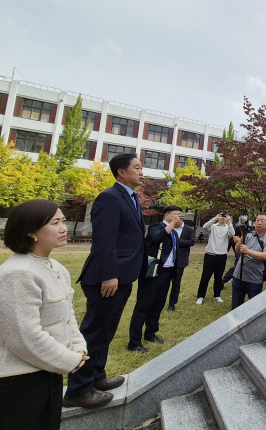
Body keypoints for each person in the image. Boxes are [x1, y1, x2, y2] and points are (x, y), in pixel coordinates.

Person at [65, 153, 146, 408]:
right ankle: (77, 389)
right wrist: (109, 274)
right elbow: (104, 240)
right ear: (121, 172)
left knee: (107, 330)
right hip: (106, 278)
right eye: (137, 167)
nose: (142, 172)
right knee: (94, 331)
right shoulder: (109, 197)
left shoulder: (131, 198)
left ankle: (97, 376)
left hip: (123, 277)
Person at [0, 200, 89, 429]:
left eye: (63, 220)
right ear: (31, 231)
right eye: (55, 222)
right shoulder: (17, 273)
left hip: (49, 370)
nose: (63, 228)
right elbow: (23, 336)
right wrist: (68, 360)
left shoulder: (56, 268)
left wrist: (78, 347)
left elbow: (67, 314)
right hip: (21, 380)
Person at [127, 206, 184, 353]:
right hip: (153, 272)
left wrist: (174, 276)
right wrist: (172, 224)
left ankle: (150, 333)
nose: (179, 217)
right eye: (176, 215)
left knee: (158, 305)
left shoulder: (175, 234)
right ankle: (134, 341)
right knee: (143, 306)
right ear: (167, 215)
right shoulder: (155, 227)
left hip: (166, 273)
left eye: (180, 215)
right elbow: (157, 238)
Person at [232, 213, 266, 309]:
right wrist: (243, 235)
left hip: (255, 279)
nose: (259, 222)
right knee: (236, 307)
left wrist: (247, 251)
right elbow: (237, 250)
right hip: (239, 276)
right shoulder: (248, 236)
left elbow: (265, 256)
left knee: (254, 308)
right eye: (257, 220)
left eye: (262, 220)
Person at [197, 212, 235, 304]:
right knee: (205, 276)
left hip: (222, 255)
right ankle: (200, 296)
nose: (223, 218)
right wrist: (215, 218)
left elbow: (232, 234)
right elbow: (205, 226)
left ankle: (217, 295)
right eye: (221, 216)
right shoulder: (213, 226)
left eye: (225, 217)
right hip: (210, 254)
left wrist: (229, 222)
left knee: (218, 277)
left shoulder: (228, 227)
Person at [167, 215, 195, 312]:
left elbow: (191, 241)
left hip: (180, 260)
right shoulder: (169, 227)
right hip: (168, 259)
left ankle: (172, 304)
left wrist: (177, 241)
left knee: (176, 283)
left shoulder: (188, 230)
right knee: (164, 282)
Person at [222, 212, 248, 284]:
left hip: (243, 249)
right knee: (237, 266)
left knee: (239, 266)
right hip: (239, 249)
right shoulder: (237, 226)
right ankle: (223, 280)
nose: (244, 217)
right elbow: (235, 240)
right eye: (242, 216)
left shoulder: (245, 226)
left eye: (245, 216)